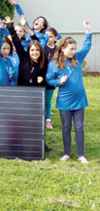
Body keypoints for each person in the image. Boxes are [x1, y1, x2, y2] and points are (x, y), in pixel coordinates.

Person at [46, 20, 92, 164]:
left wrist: (88, 30)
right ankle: (67, 153)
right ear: (62, 49)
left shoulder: (77, 59)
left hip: (79, 101)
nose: (74, 51)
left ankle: (81, 154)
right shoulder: (54, 64)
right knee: (66, 127)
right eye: (71, 49)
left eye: (74, 48)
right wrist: (59, 82)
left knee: (79, 127)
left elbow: (87, 46)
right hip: (64, 101)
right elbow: (49, 80)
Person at [44, 27, 59, 129]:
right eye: (46, 36)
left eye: (50, 37)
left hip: (51, 79)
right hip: (40, 78)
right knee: (39, 99)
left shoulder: (58, 50)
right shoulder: (42, 47)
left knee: (48, 101)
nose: (48, 39)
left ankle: (48, 119)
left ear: (55, 38)